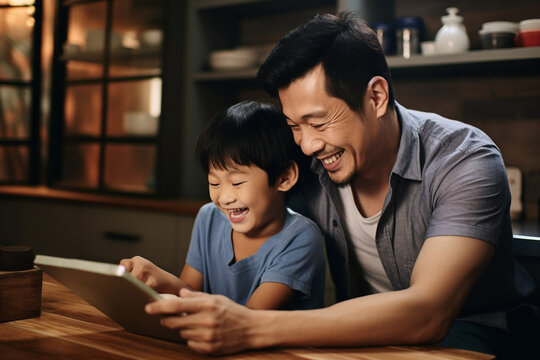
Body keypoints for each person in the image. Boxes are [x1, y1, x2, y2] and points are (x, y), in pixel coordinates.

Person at [144, 12, 538, 358]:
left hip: (472, 334)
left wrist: (247, 325)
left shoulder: (464, 160)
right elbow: (243, 186)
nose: (308, 144)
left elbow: (429, 312)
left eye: (318, 122)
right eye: (294, 126)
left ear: (377, 96)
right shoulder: (306, 160)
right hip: (360, 334)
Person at [122, 100, 326, 310]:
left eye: (237, 183)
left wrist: (170, 283)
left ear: (284, 178)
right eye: (214, 183)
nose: (225, 197)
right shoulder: (209, 217)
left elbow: (247, 320)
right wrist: (159, 280)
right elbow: (189, 295)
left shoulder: (301, 237)